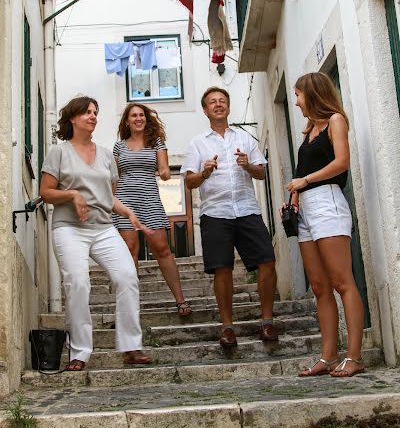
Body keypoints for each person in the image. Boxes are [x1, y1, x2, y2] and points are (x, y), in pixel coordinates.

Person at [40, 96, 152, 371]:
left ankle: (130, 347)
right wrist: (72, 195)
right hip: (69, 229)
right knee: (78, 284)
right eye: (87, 112)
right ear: (73, 119)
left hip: (103, 228)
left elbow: (107, 198)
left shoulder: (104, 155)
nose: (93, 116)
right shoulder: (59, 152)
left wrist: (127, 212)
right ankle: (79, 352)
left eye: (95, 112)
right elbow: (45, 193)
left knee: (127, 277)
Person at [181, 87, 277, 348]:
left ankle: (267, 321)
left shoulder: (245, 138)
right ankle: (227, 327)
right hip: (215, 213)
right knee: (222, 269)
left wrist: (247, 165)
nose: (218, 104)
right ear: (205, 110)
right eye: (212, 102)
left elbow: (261, 173)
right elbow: (189, 182)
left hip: (247, 209)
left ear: (229, 107)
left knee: (267, 261)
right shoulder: (197, 143)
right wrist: (204, 173)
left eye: (222, 100)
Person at [285, 72, 365, 378]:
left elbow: (341, 162)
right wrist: (294, 198)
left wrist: (304, 181)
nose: (296, 102)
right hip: (305, 208)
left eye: (298, 95)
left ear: (313, 93)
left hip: (328, 202)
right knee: (319, 286)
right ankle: (329, 356)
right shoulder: (308, 131)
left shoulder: (335, 120)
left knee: (342, 281)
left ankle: (354, 356)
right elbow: (301, 170)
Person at [112, 102, 192, 318]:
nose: (138, 118)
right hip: (125, 199)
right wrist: (110, 203)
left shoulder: (157, 143)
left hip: (150, 198)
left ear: (146, 119)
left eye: (141, 115)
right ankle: (130, 305)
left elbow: (164, 169)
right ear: (127, 121)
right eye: (133, 115)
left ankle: (180, 300)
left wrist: (166, 173)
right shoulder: (119, 147)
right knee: (130, 251)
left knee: (162, 248)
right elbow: (115, 177)